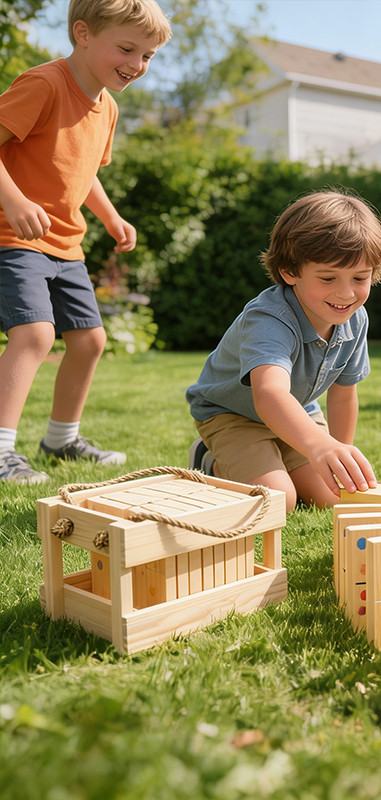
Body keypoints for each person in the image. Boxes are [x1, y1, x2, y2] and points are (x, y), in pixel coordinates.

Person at [0, 0, 172, 484]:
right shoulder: (45, 84)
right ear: (83, 33)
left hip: (67, 245)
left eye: (148, 56)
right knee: (35, 335)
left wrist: (113, 218)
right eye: (127, 49)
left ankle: (61, 438)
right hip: (15, 237)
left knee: (91, 341)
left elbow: (83, 171)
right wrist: (13, 201)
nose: (137, 65)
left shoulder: (108, 108)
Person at [186, 192, 381, 513]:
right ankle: (209, 460)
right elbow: (269, 392)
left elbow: (343, 393)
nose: (346, 293)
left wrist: (339, 452)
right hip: (233, 415)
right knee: (279, 500)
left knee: (331, 497)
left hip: (297, 411)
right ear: (289, 271)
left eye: (360, 278)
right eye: (328, 278)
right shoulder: (270, 318)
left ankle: (281, 459)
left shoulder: (356, 318)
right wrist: (316, 444)